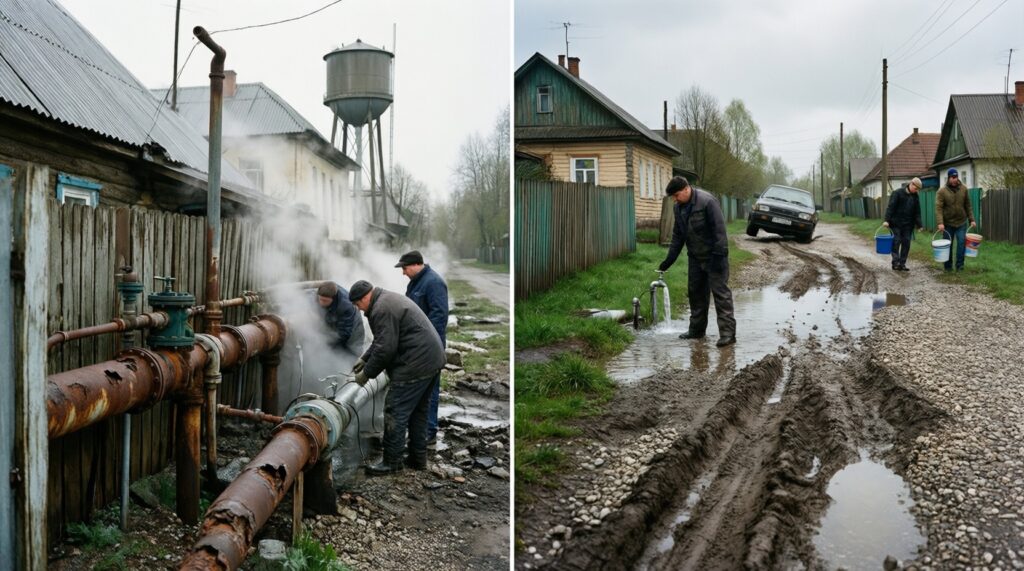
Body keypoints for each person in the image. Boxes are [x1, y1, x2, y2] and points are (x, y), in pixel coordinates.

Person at [348, 280, 446, 475]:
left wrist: (366, 375)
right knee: (418, 412)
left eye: (358, 305)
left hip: (415, 364)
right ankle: (418, 459)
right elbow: (383, 339)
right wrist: (365, 358)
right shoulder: (385, 300)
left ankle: (392, 462)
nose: (359, 310)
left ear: (365, 297)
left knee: (395, 411)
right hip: (431, 360)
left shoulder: (381, 309)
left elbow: (386, 349)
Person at [657, 176, 736, 347]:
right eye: (673, 197)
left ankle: (728, 334)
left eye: (676, 195)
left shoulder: (707, 202)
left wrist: (717, 257)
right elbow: (678, 237)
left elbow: (720, 231)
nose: (675, 200)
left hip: (715, 257)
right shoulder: (678, 208)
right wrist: (668, 260)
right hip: (695, 258)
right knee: (696, 294)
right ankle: (697, 330)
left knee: (721, 295)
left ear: (686, 189)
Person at [396, 250, 448, 447]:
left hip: (429, 348)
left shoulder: (434, 282)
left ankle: (429, 432)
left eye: (405, 268)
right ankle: (419, 431)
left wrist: (423, 340)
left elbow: (439, 315)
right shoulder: (416, 282)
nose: (403, 272)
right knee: (419, 389)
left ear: (417, 264)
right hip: (417, 346)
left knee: (429, 390)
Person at [935, 168, 976, 272]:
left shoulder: (964, 189)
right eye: (952, 177)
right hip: (948, 223)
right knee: (948, 244)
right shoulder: (942, 191)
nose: (955, 179)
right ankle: (948, 267)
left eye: (956, 177)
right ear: (948, 178)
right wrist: (940, 223)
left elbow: (968, 205)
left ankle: (960, 266)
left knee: (961, 243)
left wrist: (972, 219)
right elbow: (938, 208)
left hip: (961, 222)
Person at [883, 177, 924, 272]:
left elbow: (917, 212)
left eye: (918, 189)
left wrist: (920, 225)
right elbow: (891, 207)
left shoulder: (915, 197)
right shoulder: (897, 193)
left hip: (908, 225)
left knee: (906, 243)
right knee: (896, 242)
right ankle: (895, 263)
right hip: (895, 223)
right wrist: (886, 220)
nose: (916, 190)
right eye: (916, 188)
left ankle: (902, 263)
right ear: (911, 184)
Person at [315, 281, 365, 358]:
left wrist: (325, 343)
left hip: (353, 330)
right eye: (320, 299)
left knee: (349, 353)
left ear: (333, 298)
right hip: (335, 321)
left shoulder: (346, 306)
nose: (321, 303)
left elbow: (344, 333)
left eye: (325, 301)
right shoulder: (318, 294)